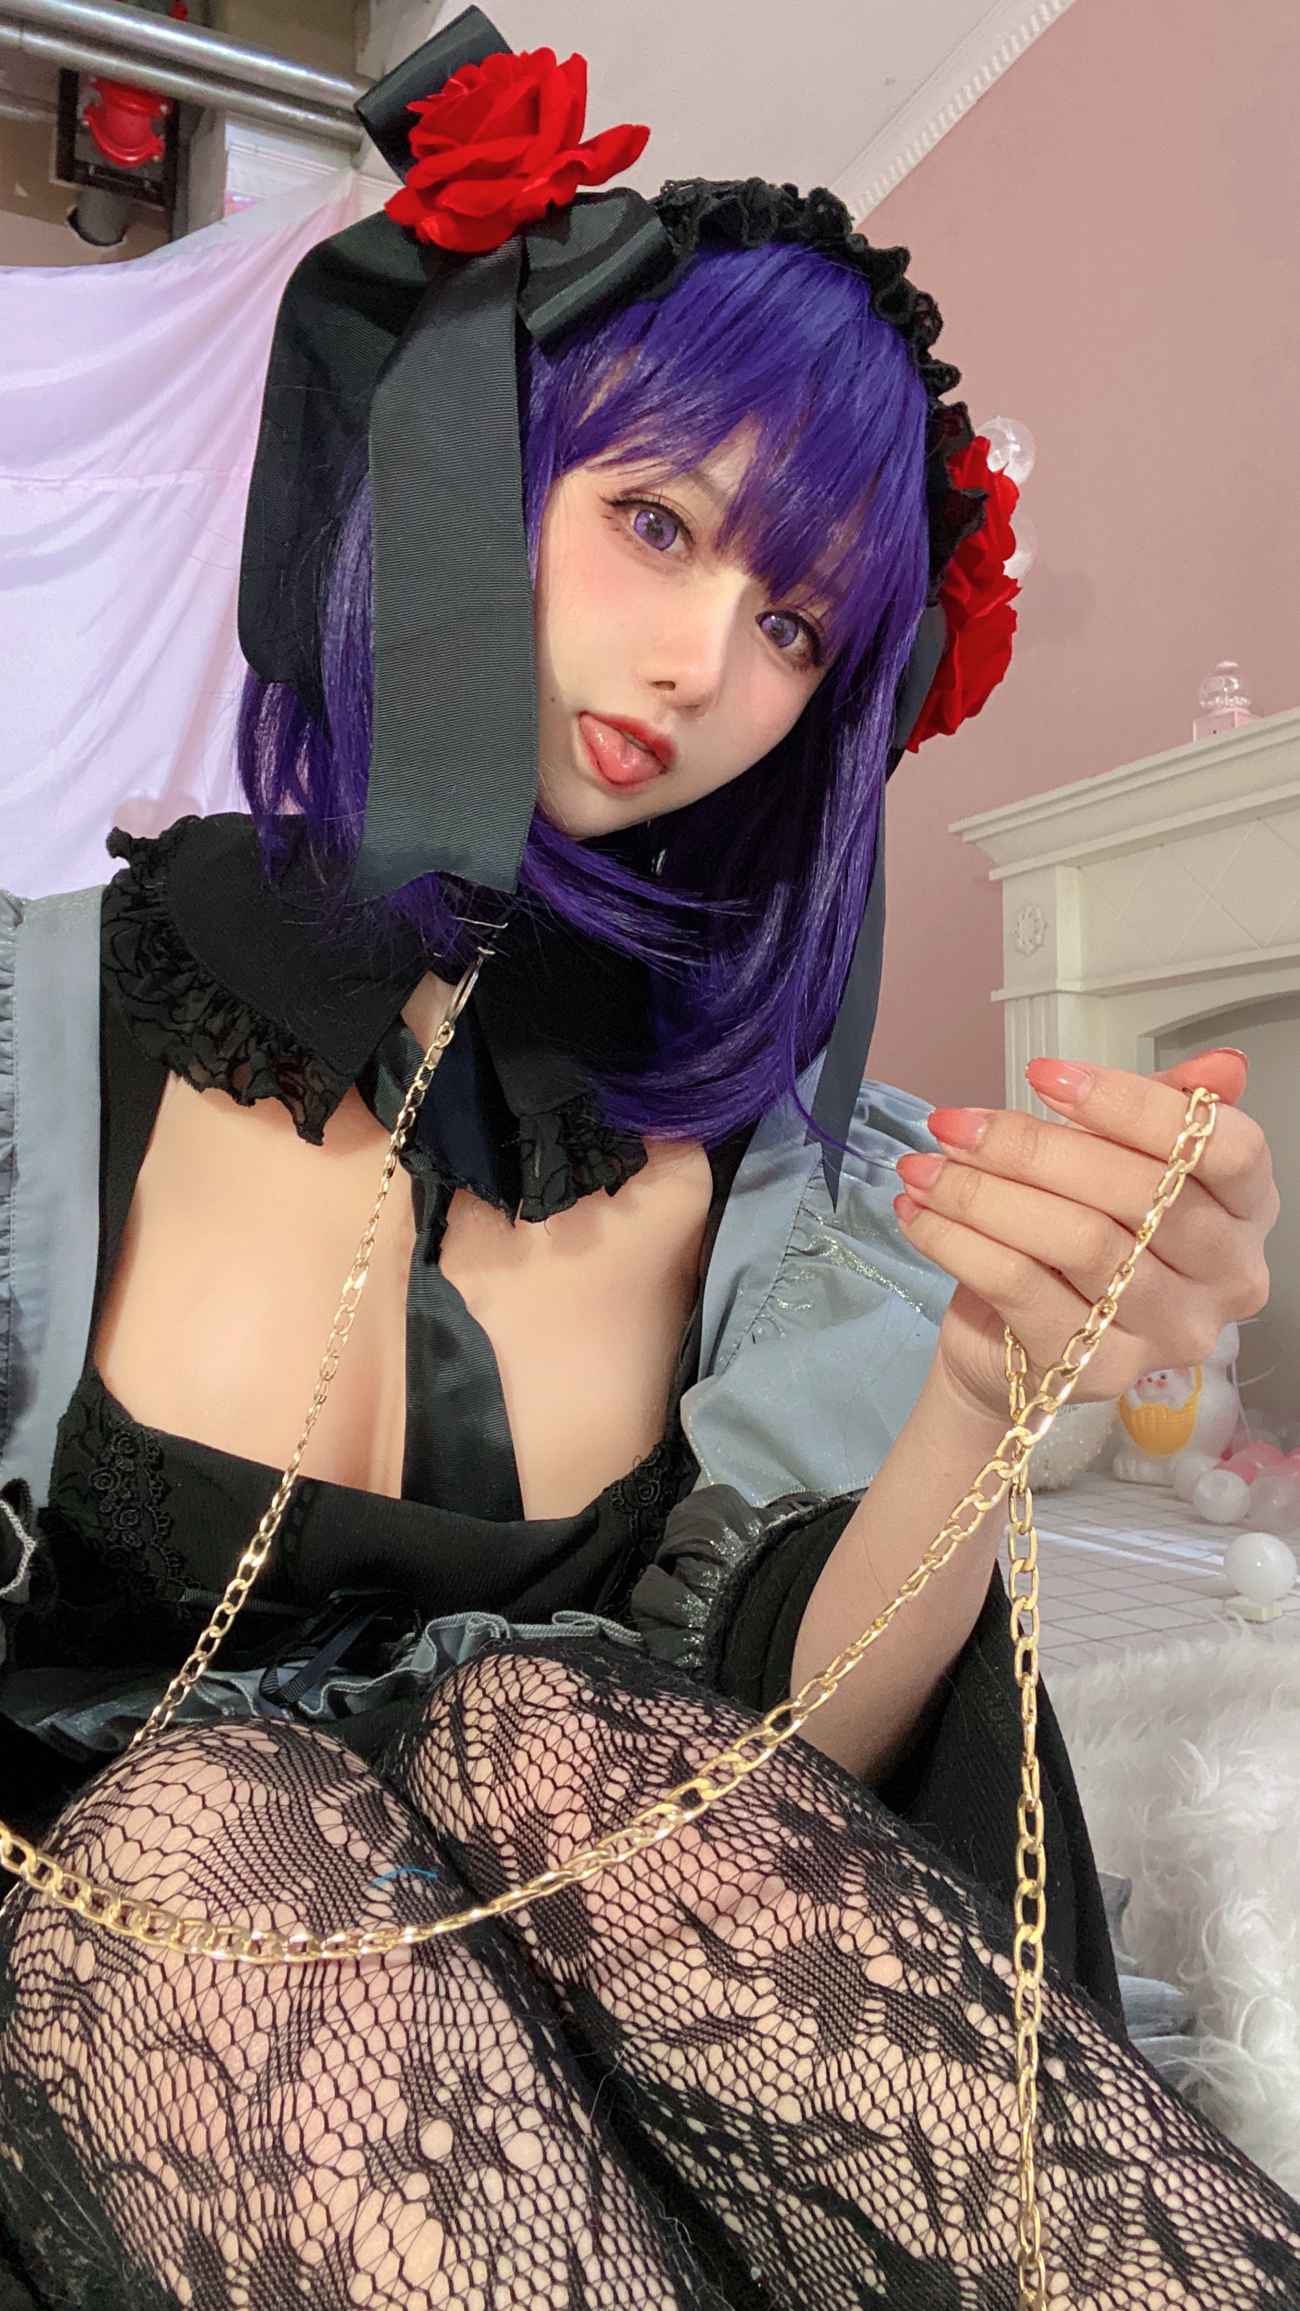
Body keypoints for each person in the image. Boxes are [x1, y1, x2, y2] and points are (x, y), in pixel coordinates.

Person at [0, 14, 1293, 2309]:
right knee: (218, 1809)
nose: (700, 659)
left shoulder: (773, 1172)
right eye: (654, 520)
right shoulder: (45, 1024)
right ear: (470, 464)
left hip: (576, 1912)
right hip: (106, 1947)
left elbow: (773, 1761)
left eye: (793, 621)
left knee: (557, 1719)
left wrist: (985, 1398)